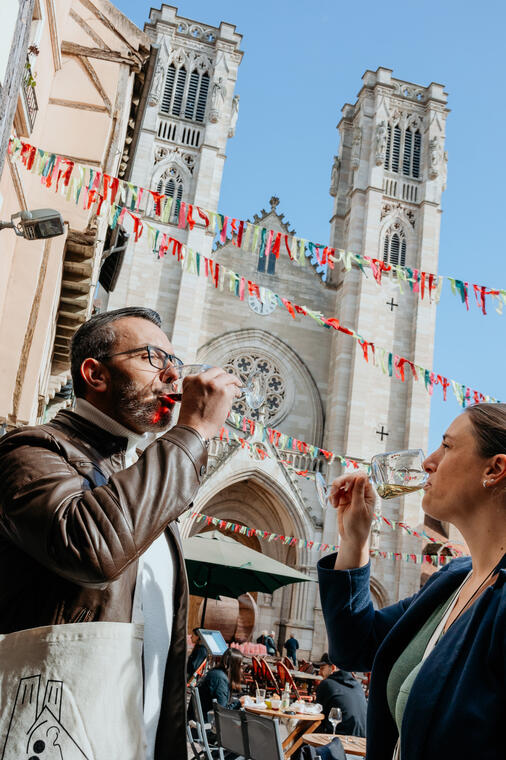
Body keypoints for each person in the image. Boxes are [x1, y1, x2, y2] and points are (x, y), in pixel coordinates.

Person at [0, 307, 241, 760]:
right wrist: (192, 431)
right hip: (50, 733)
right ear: (95, 374)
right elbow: (93, 548)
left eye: (176, 359)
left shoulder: (138, 472)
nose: (175, 375)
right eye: (154, 356)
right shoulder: (31, 451)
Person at [318, 403, 506, 760]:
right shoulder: (451, 581)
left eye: (447, 447)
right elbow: (353, 646)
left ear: (494, 469)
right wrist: (354, 540)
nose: (427, 462)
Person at [315, 653, 367, 737]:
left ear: (333, 668)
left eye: (322, 668)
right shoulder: (357, 685)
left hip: (339, 741)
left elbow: (317, 714)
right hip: (363, 741)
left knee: (303, 730)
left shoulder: (326, 684)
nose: (319, 673)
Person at [195, 647, 244, 720]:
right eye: (241, 666)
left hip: (199, 718)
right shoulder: (220, 680)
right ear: (235, 667)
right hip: (205, 723)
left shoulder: (217, 673)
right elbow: (223, 712)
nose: (242, 670)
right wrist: (239, 702)